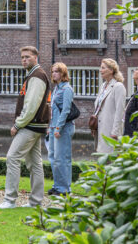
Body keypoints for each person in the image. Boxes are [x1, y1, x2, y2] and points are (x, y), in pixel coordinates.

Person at [0, 46, 51, 209]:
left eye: (27, 57)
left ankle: (10, 200)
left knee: (12, 157)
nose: (24, 60)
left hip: (30, 125)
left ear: (36, 57)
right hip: (36, 125)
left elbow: (31, 105)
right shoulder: (34, 74)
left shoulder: (37, 75)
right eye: (22, 57)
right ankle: (35, 202)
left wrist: (17, 124)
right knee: (35, 163)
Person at [48, 62, 75, 196]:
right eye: (53, 71)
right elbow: (53, 110)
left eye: (57, 71)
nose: (54, 74)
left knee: (62, 159)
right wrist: (50, 127)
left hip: (63, 128)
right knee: (53, 158)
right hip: (54, 127)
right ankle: (57, 186)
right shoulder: (56, 89)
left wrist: (58, 127)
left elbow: (66, 110)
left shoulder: (67, 89)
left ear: (63, 73)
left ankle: (64, 189)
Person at [94, 58, 127, 154]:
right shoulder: (103, 86)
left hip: (110, 130)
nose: (100, 70)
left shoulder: (118, 86)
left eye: (103, 68)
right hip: (101, 129)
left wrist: (115, 132)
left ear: (111, 70)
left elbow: (120, 111)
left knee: (111, 157)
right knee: (102, 157)